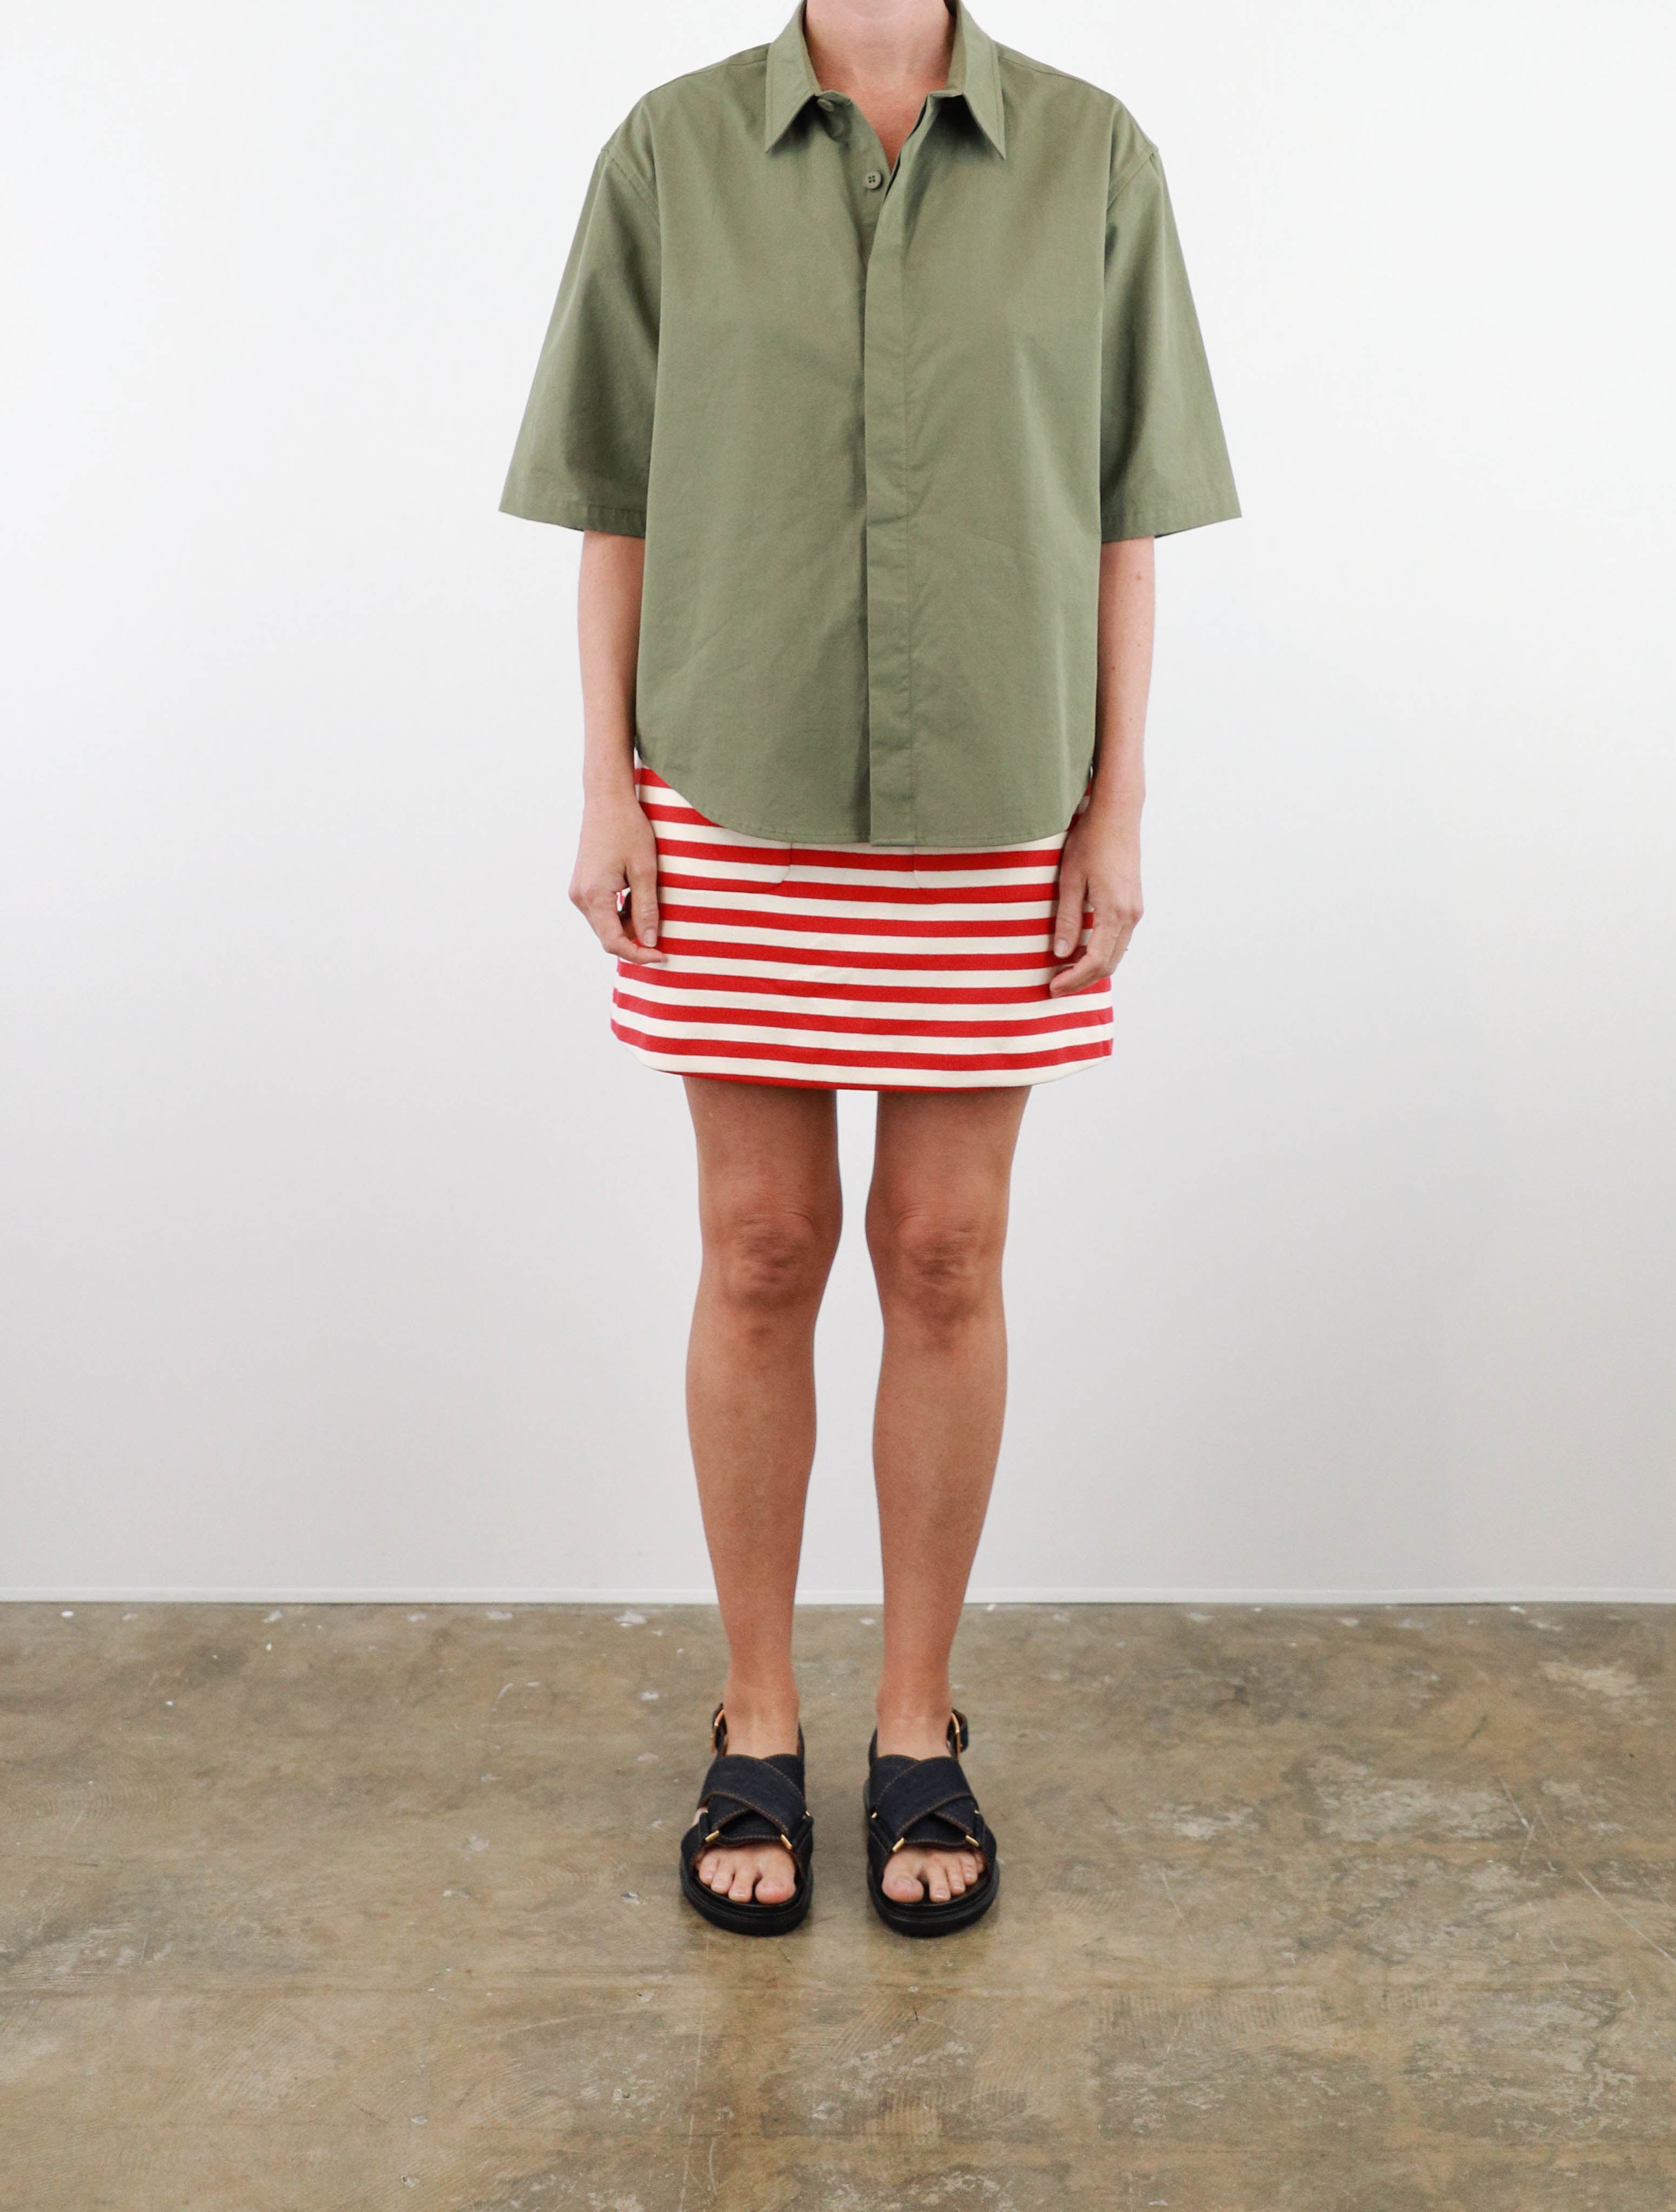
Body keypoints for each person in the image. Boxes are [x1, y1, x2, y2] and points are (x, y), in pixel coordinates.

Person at [500, 0, 1237, 1936]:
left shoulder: (1093, 155)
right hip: (729, 788)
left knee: (946, 1252)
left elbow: (1125, 514)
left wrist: (1118, 808)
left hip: (1000, 794)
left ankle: (919, 1723)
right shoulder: (672, 152)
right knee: (760, 1246)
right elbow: (614, 502)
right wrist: (607, 792)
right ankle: (757, 1712)